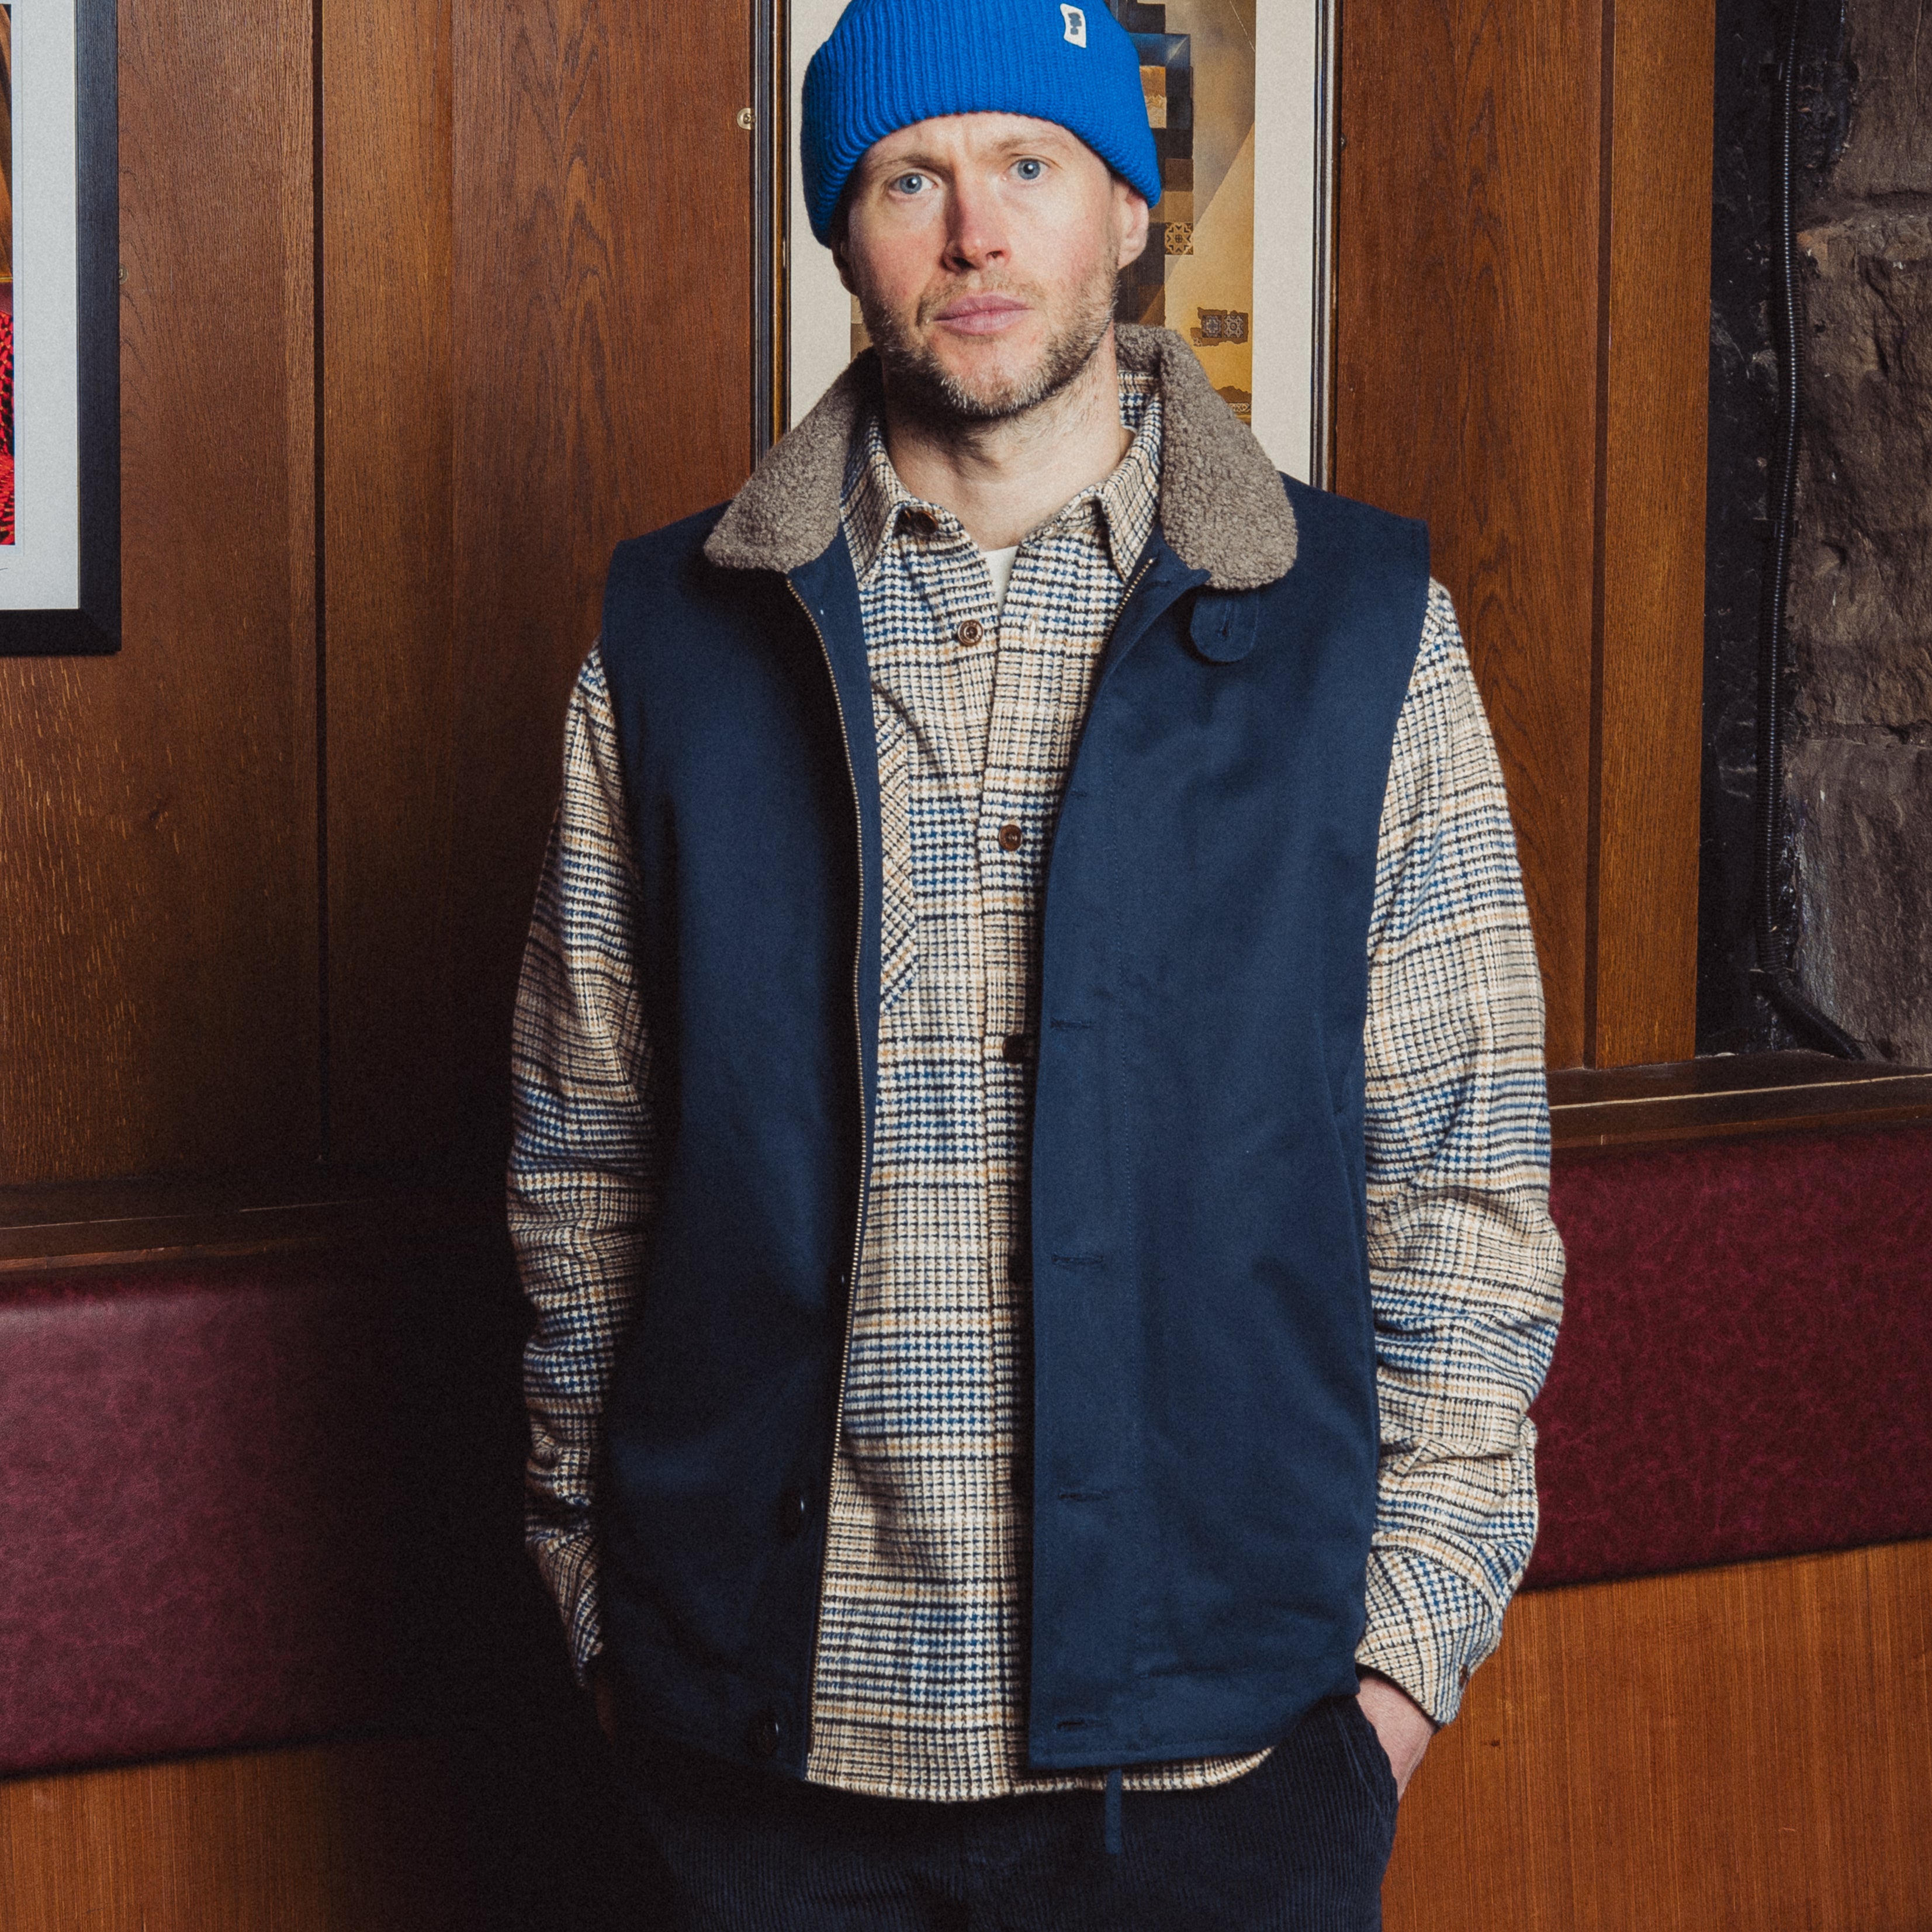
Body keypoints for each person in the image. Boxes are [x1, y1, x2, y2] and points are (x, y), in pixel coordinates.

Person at [508, 1, 1564, 1923]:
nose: (974, 232)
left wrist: (1394, 1677)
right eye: (911, 177)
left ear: (1127, 210)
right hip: (756, 1754)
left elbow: (1466, 1191)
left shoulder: (1362, 635)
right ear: (843, 233)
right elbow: (583, 1166)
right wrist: (600, 1605)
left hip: (1219, 1770)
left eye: (1029, 166)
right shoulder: (665, 644)